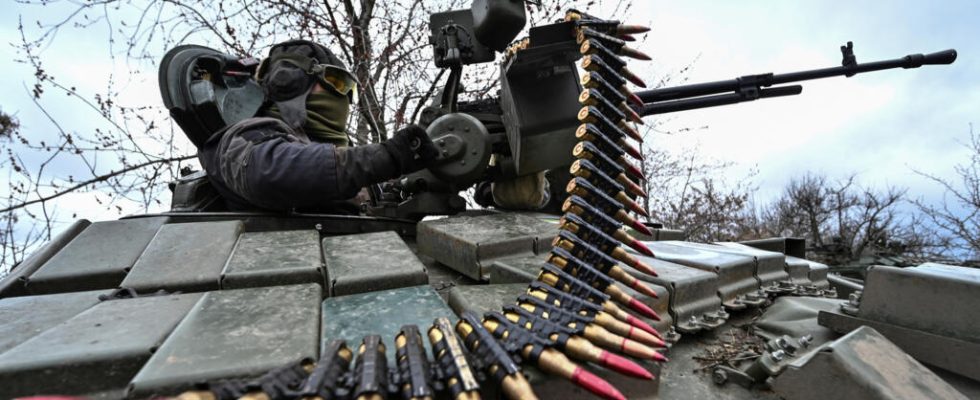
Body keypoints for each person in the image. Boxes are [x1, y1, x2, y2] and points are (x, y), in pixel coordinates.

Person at [198, 39, 439, 211]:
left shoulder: (350, 167)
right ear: (289, 81)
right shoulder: (246, 137)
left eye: (349, 89)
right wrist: (388, 157)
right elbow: (273, 172)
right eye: (336, 81)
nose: (344, 96)